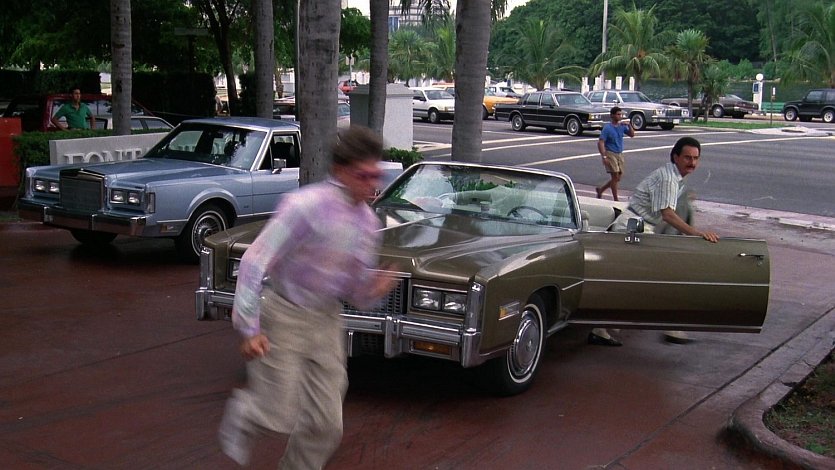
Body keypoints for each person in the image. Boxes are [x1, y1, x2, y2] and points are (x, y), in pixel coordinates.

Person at [218, 125, 398, 468]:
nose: (372, 184)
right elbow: (255, 260)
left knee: (327, 426)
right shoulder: (305, 206)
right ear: (340, 171)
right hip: (283, 313)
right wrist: (249, 328)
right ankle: (246, 413)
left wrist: (374, 289)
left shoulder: (368, 225)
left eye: (377, 176)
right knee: (278, 414)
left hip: (326, 319)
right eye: (363, 175)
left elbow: (356, 292)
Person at [588, 136, 719, 347]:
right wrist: (696, 233)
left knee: (635, 280)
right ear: (675, 157)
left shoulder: (674, 178)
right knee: (654, 276)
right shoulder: (668, 179)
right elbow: (668, 215)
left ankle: (603, 327)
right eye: (687, 157)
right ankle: (669, 326)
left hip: (638, 226)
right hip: (633, 227)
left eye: (696, 158)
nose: (692, 162)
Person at [595, 106, 634, 201]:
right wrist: (604, 156)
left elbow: (632, 134)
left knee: (618, 177)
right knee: (615, 176)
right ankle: (615, 199)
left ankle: (601, 190)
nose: (620, 116)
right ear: (612, 115)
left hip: (619, 153)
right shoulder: (607, 128)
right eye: (618, 114)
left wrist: (629, 125)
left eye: (621, 114)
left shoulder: (622, 126)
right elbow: (601, 142)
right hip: (610, 153)